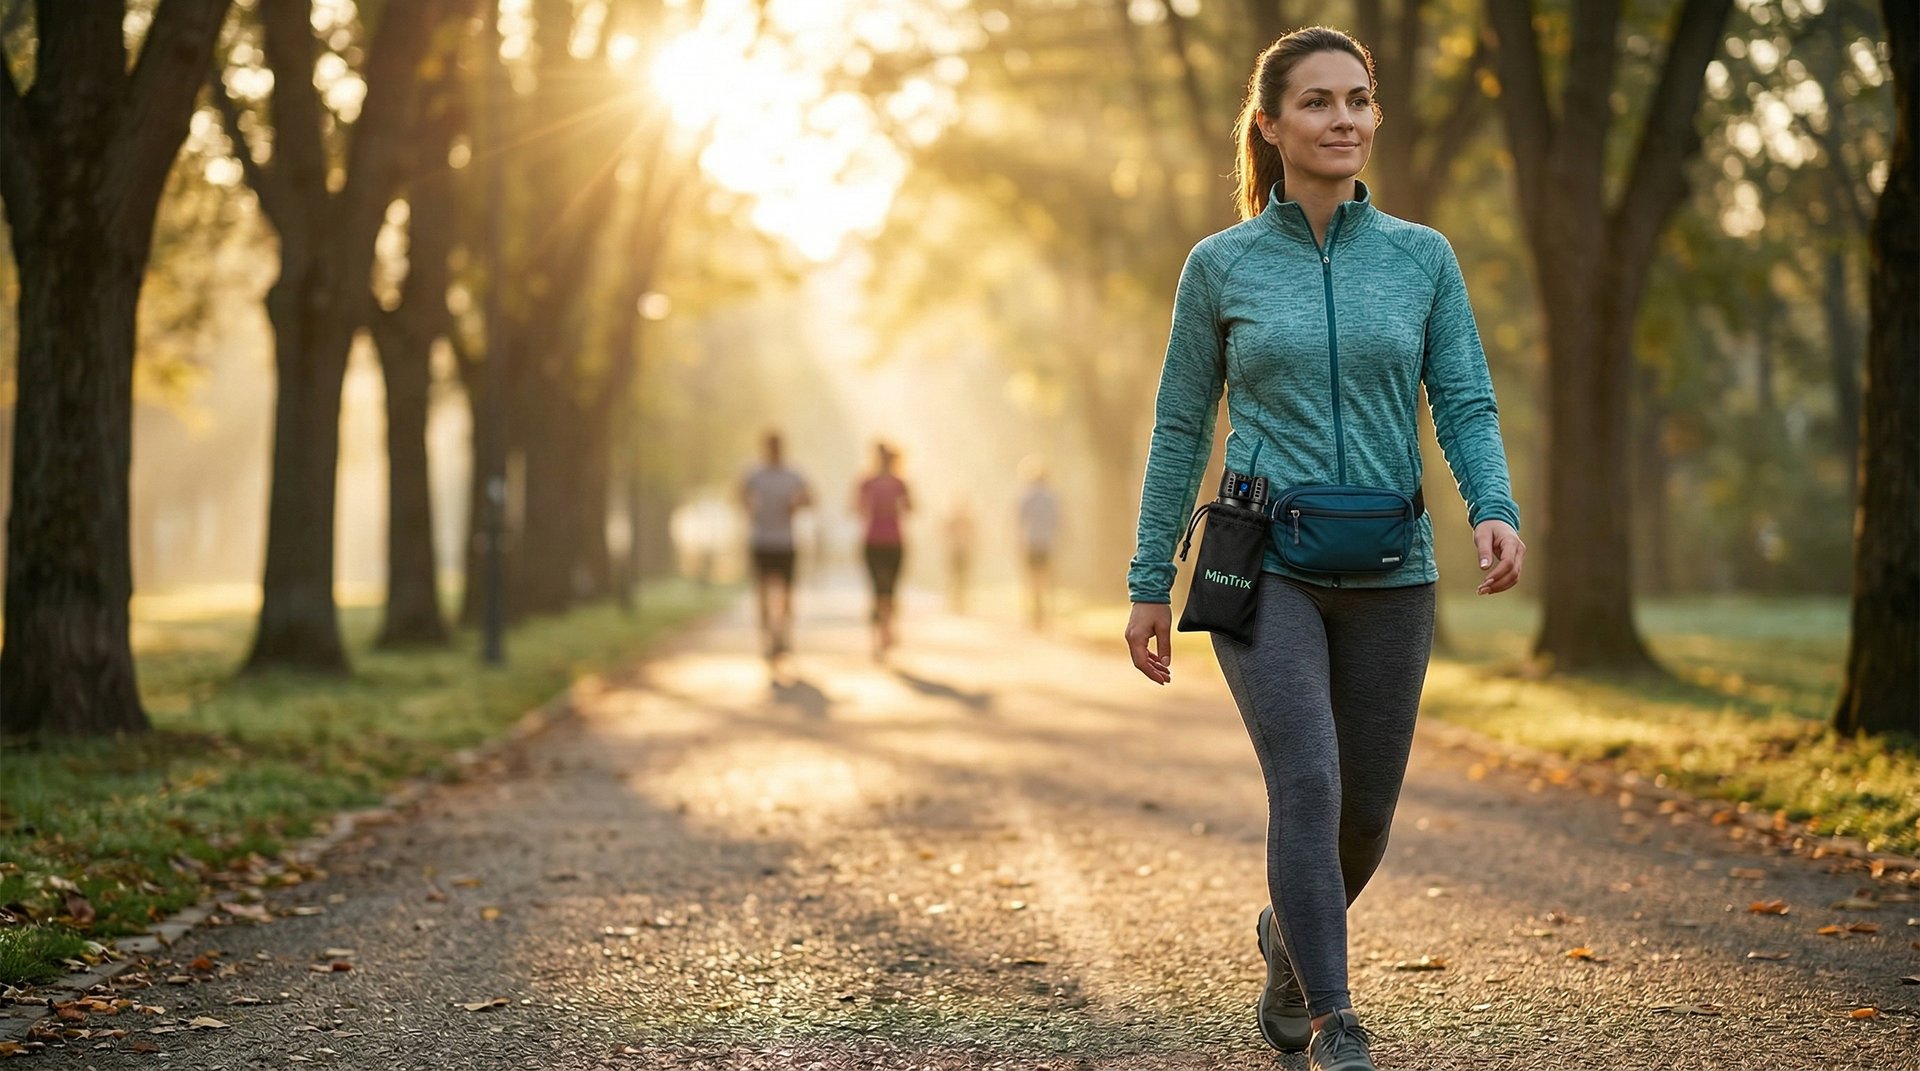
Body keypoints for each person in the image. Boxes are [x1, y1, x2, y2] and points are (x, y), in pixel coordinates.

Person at [1122, 27, 1524, 1071]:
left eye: (1359, 100)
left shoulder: (1422, 257)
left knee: (1367, 817)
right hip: (1265, 566)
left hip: (1393, 563)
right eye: (1316, 103)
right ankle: (1337, 1015)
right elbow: (1178, 428)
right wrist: (1147, 580)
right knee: (1307, 781)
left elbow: (1466, 399)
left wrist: (1494, 503)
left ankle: (1285, 939)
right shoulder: (1221, 267)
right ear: (1271, 125)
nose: (1343, 120)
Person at [739, 431, 812, 659]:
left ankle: (784, 636)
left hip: (786, 540)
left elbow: (811, 499)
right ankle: (767, 638)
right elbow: (739, 495)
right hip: (761, 540)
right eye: (771, 447)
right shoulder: (754, 474)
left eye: (777, 447)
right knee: (761, 592)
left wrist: (798, 503)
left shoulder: (793, 474)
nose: (774, 451)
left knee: (787, 592)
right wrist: (748, 506)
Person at [853, 442, 912, 659]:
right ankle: (878, 637)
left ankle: (889, 627)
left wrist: (897, 506)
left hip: (895, 541)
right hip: (873, 541)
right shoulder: (866, 482)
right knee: (877, 589)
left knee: (891, 590)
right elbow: (855, 507)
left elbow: (911, 507)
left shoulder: (900, 483)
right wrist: (869, 507)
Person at [1015, 461, 1061, 630]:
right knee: (1045, 578)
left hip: (1031, 542)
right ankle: (1045, 614)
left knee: (1031, 579)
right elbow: (1057, 521)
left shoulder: (1025, 496)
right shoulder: (1052, 498)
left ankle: (1034, 615)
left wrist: (1018, 542)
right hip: (1047, 543)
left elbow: (1020, 521)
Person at [943, 495, 976, 614]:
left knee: (963, 577)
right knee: (954, 576)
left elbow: (973, 536)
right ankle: (954, 601)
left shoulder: (967, 520)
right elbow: (944, 534)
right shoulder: (951, 521)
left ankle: (961, 601)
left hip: (963, 552)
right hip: (954, 552)